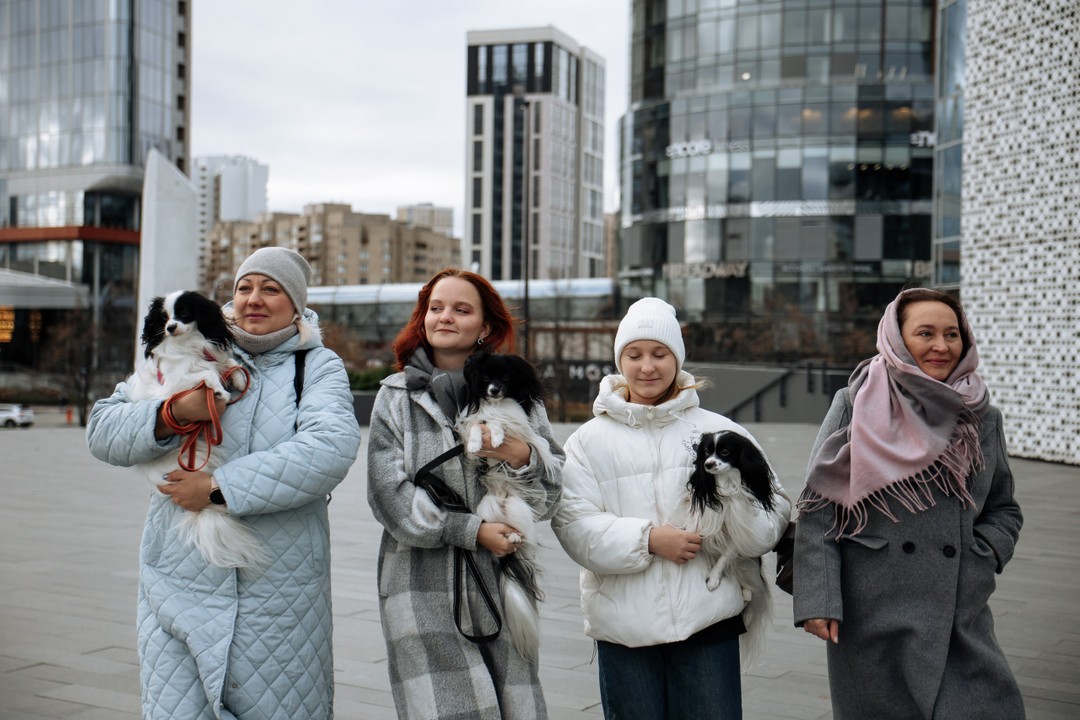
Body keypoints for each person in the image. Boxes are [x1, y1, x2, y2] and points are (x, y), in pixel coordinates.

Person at [87, 247, 361, 719]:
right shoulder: (182, 349)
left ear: (296, 303)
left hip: (277, 594)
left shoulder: (317, 366)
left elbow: (329, 448)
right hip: (177, 584)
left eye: (271, 289)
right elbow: (101, 431)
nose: (254, 298)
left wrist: (219, 489)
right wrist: (171, 413)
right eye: (244, 287)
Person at [551, 298, 791, 720]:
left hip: (708, 623)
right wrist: (647, 540)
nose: (647, 366)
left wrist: (739, 517)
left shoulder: (721, 432)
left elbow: (774, 511)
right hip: (623, 628)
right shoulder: (587, 442)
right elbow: (574, 524)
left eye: (659, 354)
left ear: (677, 359)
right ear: (619, 360)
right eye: (634, 354)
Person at [793, 288, 1024, 719]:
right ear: (897, 339)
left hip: (959, 612)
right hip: (872, 608)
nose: (942, 346)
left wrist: (984, 554)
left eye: (952, 334)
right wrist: (818, 600)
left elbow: (1004, 508)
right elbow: (817, 511)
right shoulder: (855, 403)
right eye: (925, 333)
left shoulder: (982, 415)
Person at [366, 267, 564, 719]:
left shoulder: (520, 394)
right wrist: (469, 530)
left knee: (514, 705)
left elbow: (553, 491)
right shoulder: (395, 397)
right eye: (435, 308)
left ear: (485, 326)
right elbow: (386, 494)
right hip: (419, 583)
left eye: (461, 309)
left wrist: (522, 456)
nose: (445, 317)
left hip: (501, 575)